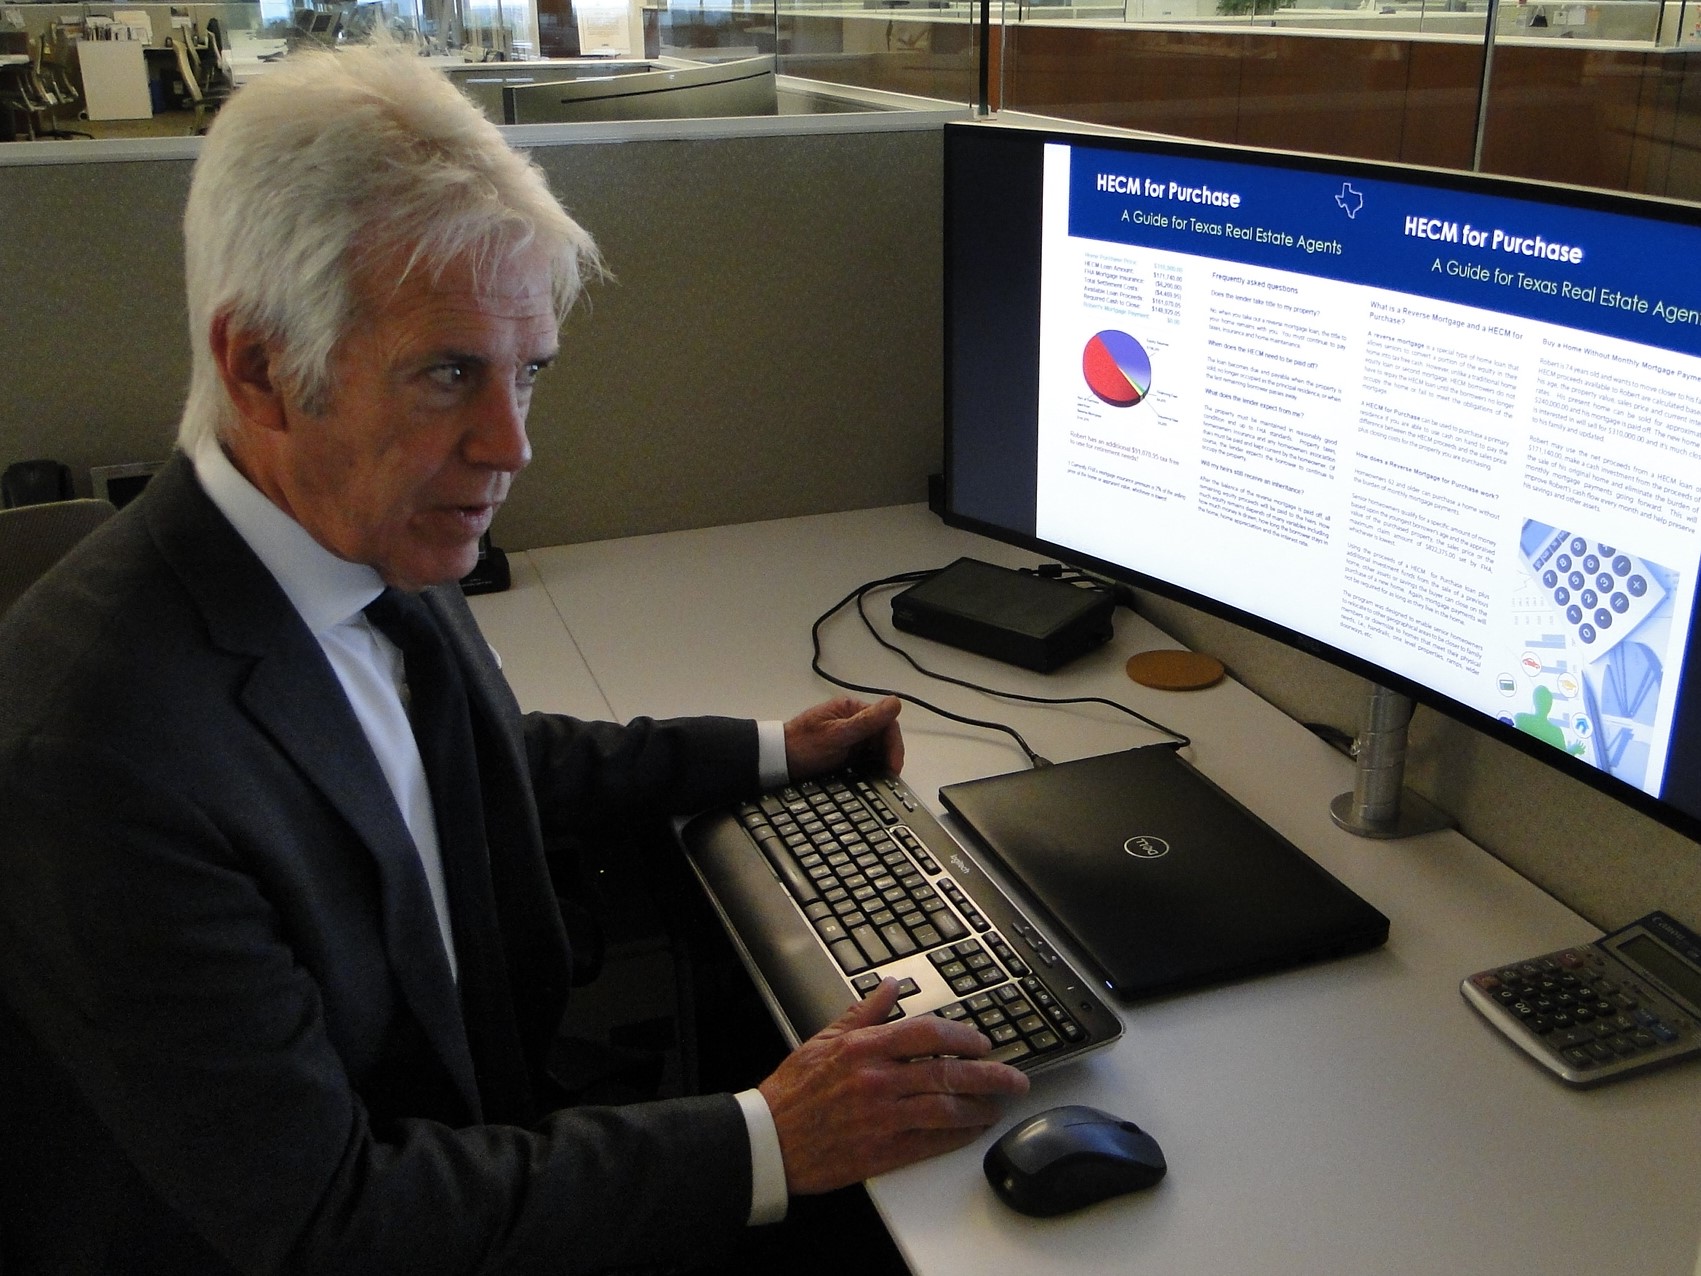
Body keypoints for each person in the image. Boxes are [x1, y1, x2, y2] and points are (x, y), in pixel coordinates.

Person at [0, 43, 1027, 1275]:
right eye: (448, 374)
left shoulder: (357, 534)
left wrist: (765, 750)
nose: (511, 445)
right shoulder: (97, 759)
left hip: (482, 1130)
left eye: (526, 372)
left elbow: (454, 758)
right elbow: (330, 1225)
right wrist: (771, 1137)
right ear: (262, 368)